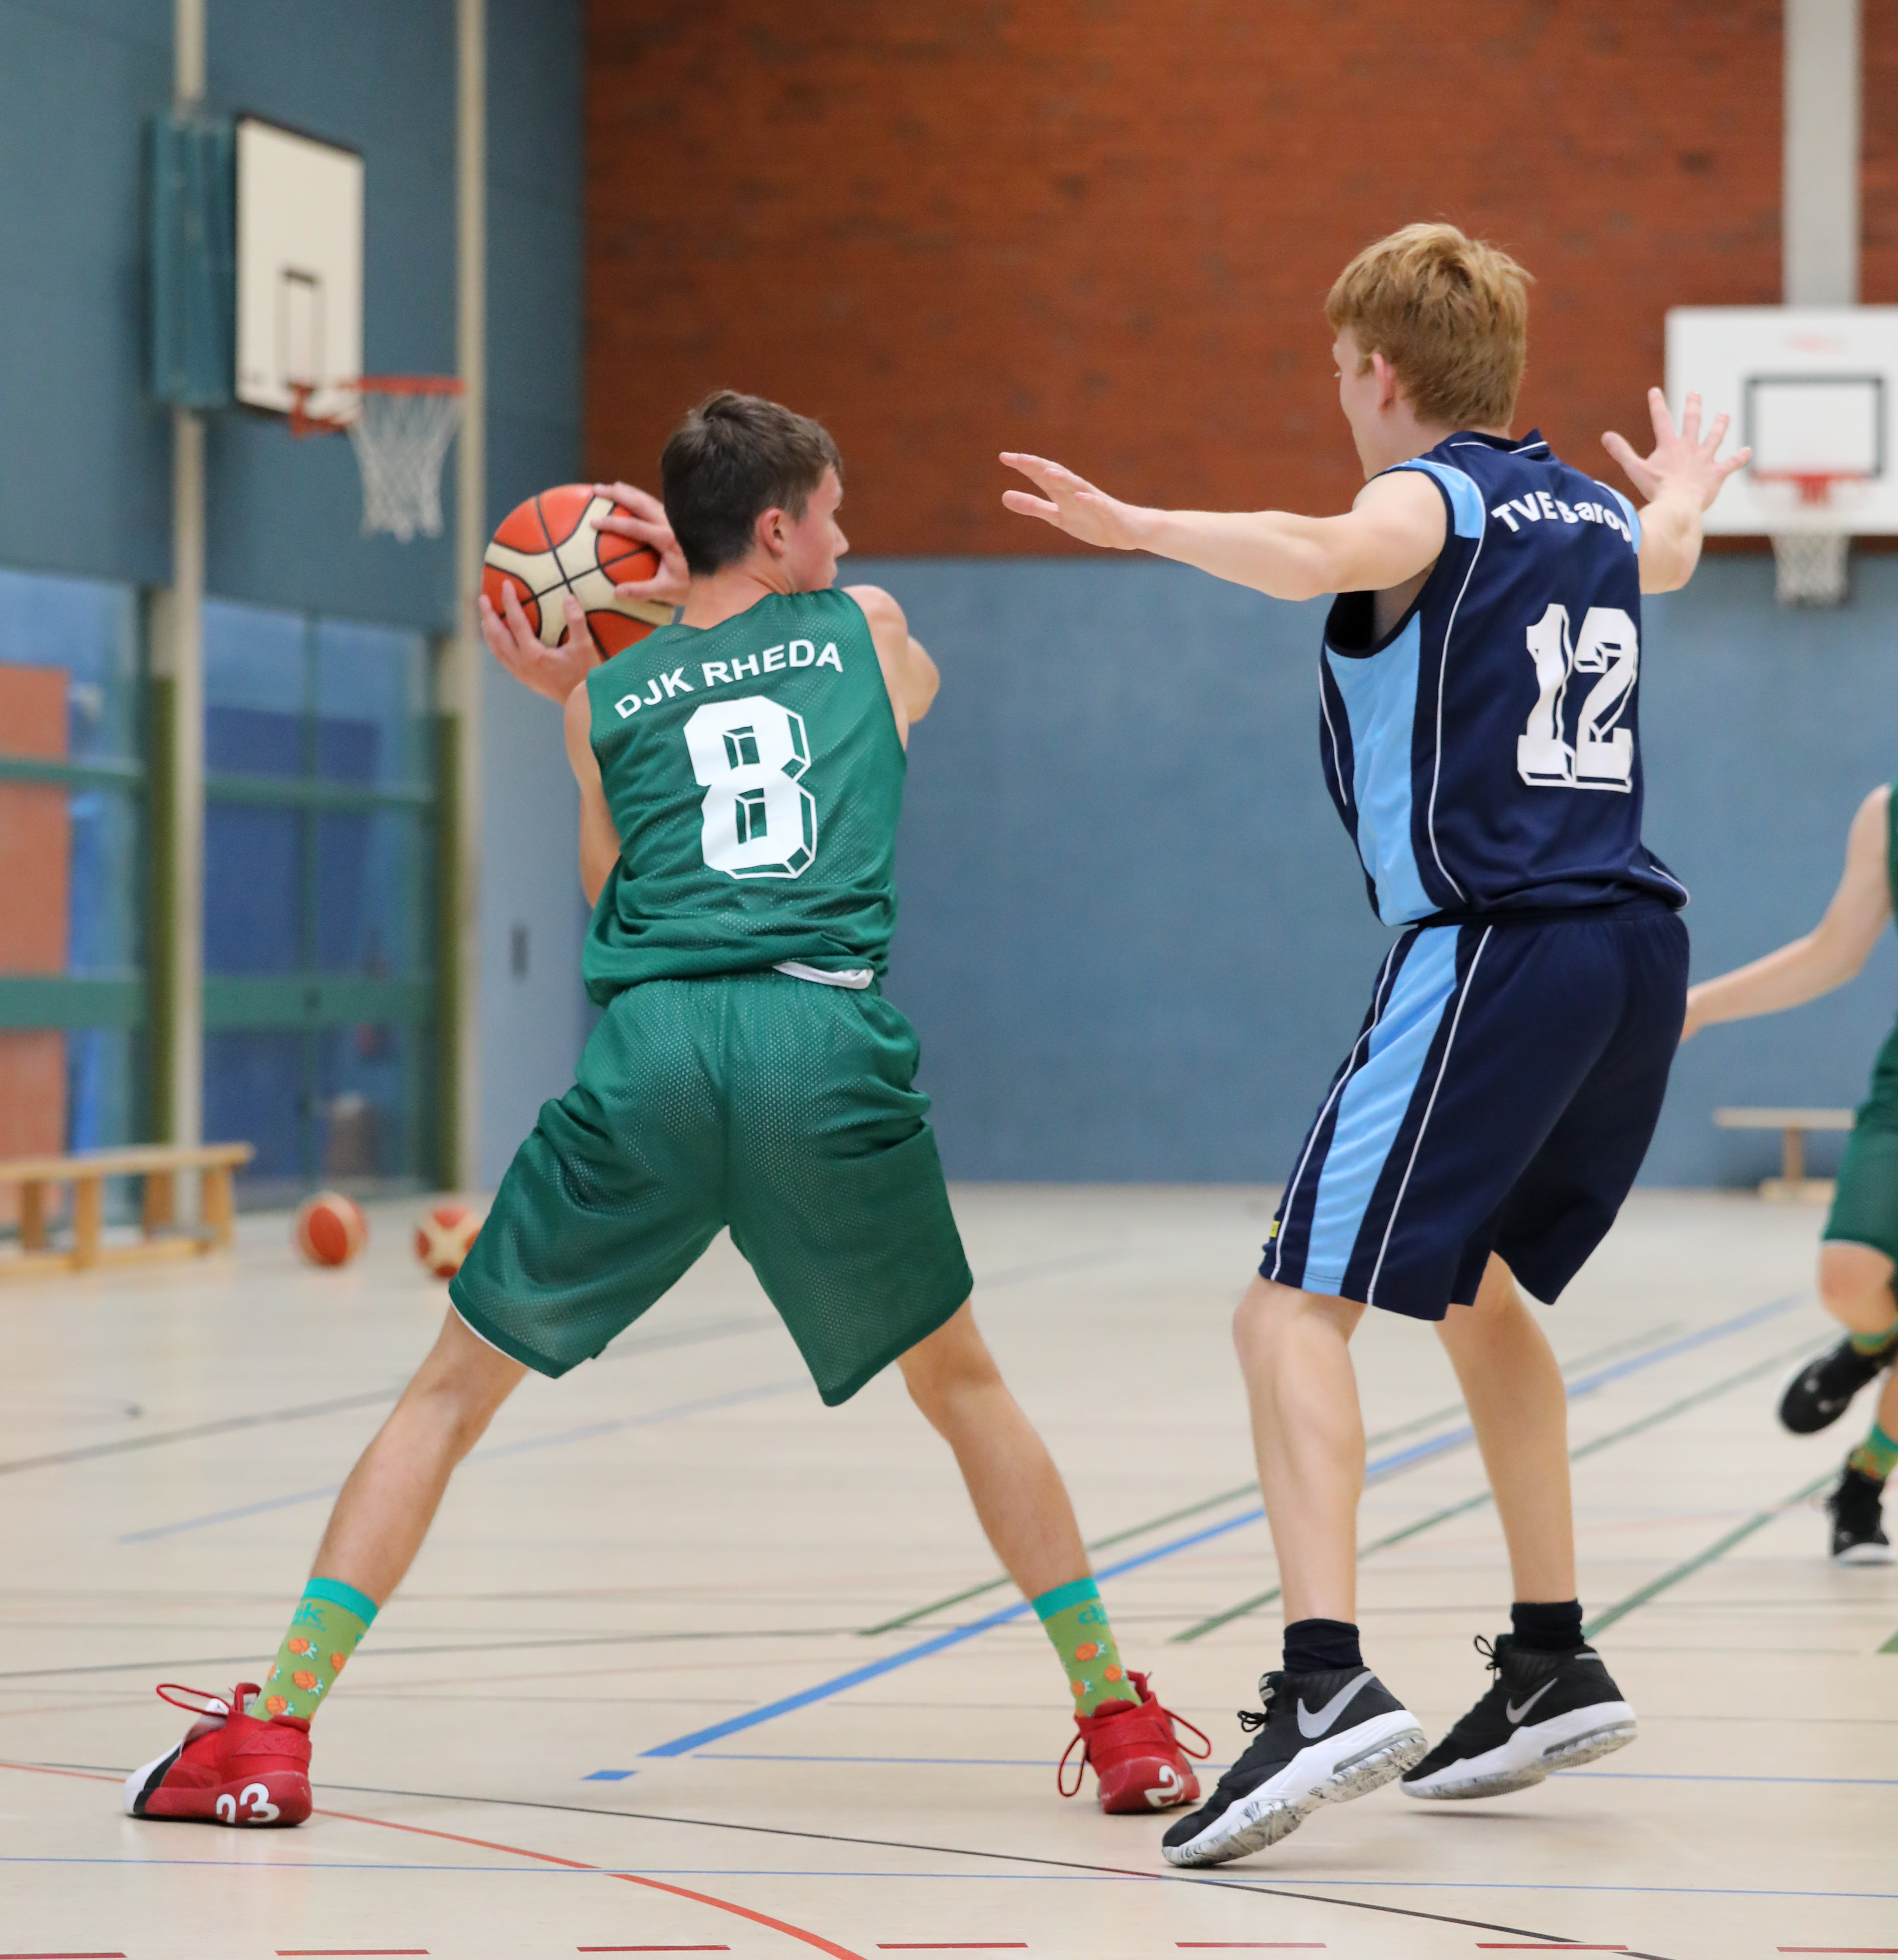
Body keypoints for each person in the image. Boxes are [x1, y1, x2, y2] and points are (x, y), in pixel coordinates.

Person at [122, 391, 1203, 1829]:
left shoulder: (599, 706)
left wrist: (601, 679)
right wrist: (699, 603)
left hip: (655, 1052)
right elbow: (908, 696)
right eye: (831, 516)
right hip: (822, 1039)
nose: (846, 541)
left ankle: (274, 1729)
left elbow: (611, 890)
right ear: (779, 528)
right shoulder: (868, 629)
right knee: (963, 1389)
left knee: (447, 1397)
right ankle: (1120, 1720)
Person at [1001, 223, 1748, 1867]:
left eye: (1340, 368)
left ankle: (1324, 1680)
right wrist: (1688, 487)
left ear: (1383, 373)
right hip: (1632, 945)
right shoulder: (1592, 514)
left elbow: (1315, 543)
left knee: (1286, 1311)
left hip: (1498, 944)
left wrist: (1140, 527)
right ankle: (1551, 1656)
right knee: (1475, 1294)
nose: (1337, 393)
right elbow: (1677, 553)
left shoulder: (1433, 499)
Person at [1682, 789, 1898, 1562]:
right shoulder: (1887, 812)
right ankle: (1871, 1342)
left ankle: (1863, 1481)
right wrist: (1700, 1006)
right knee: (1848, 1275)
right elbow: (1835, 951)